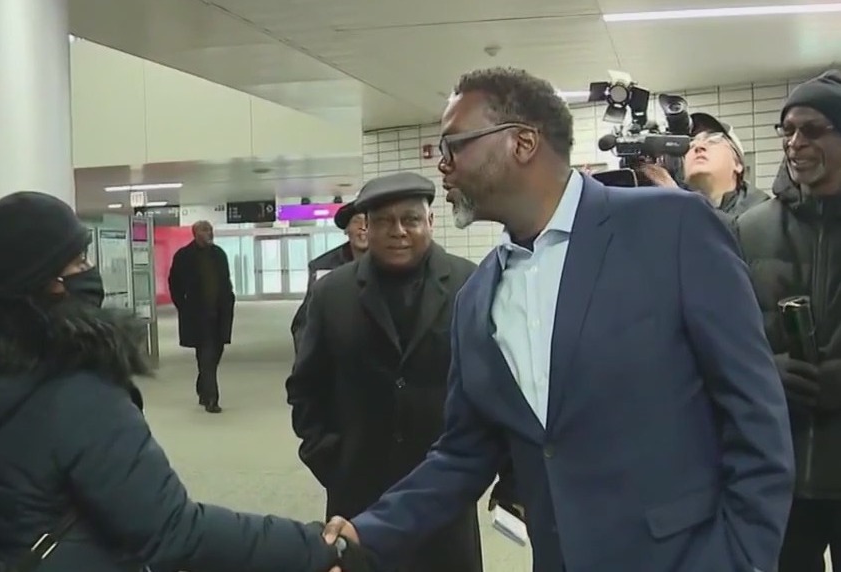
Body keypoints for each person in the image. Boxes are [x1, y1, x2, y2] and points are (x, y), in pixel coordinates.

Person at [322, 67, 794, 572]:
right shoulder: (475, 299)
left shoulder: (670, 227)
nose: (443, 165)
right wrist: (366, 533)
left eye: (454, 146)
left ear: (522, 143)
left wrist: (743, 558)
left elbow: (755, 414)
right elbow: (464, 454)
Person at [0, 191, 350, 572]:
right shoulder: (74, 389)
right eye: (79, 261)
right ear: (49, 281)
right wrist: (314, 546)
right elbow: (172, 531)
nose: (89, 270)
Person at [287, 172, 482, 572]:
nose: (398, 231)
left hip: (443, 490)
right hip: (358, 492)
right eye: (383, 222)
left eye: (410, 219)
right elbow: (306, 386)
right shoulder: (332, 293)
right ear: (366, 228)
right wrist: (331, 460)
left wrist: (472, 467)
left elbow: (489, 387)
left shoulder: (469, 284)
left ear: (430, 222)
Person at [732, 70, 841, 572]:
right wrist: (765, 371)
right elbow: (725, 338)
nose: (795, 143)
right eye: (788, 129)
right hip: (781, 472)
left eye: (813, 130)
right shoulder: (750, 229)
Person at [640, 112, 767, 219]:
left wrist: (677, 199)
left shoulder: (761, 210)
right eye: (691, 143)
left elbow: (733, 233)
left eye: (712, 140)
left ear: (738, 163)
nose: (699, 146)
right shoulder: (670, 207)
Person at [168, 220, 234, 413]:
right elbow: (174, 283)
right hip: (198, 315)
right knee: (205, 355)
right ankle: (212, 399)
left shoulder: (219, 254)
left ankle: (202, 385)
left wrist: (230, 299)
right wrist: (183, 306)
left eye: (210, 229)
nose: (209, 233)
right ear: (195, 233)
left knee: (216, 353)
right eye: (205, 230)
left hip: (219, 313)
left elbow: (226, 280)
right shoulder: (184, 256)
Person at [290, 200, 368, 348]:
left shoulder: (393, 263)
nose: (363, 227)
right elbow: (305, 322)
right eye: (357, 221)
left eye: (369, 222)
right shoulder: (324, 267)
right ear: (346, 229)